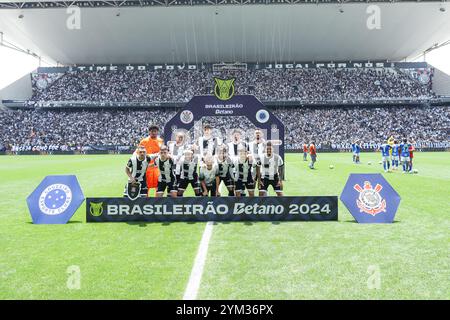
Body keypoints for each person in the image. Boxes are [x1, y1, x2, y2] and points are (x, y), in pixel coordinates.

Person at [138, 125, 164, 196]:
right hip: (147, 168)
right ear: (149, 132)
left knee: (159, 186)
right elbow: (139, 153)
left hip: (157, 167)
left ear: (157, 132)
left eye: (155, 131)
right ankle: (146, 203)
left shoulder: (160, 141)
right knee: (146, 186)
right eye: (152, 131)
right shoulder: (144, 141)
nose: (153, 133)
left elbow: (163, 153)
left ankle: (158, 203)